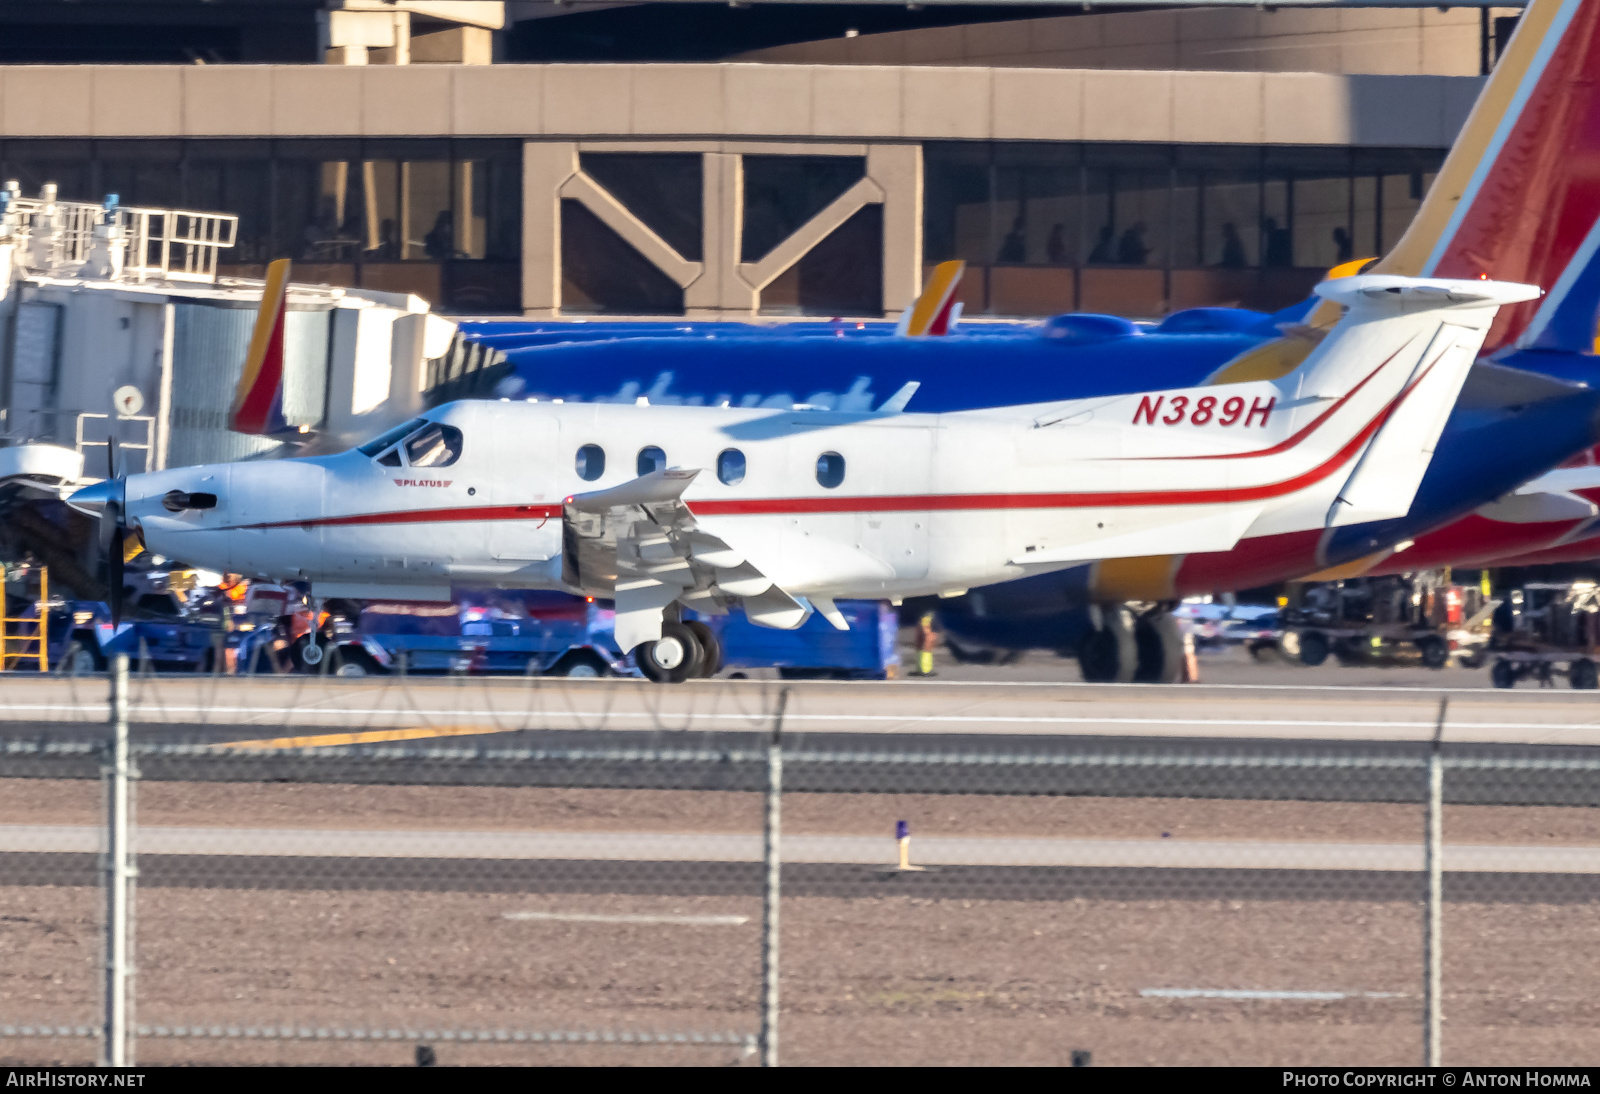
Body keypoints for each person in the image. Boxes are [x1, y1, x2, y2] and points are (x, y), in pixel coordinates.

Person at [913, 613, 939, 677]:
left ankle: (920, 668)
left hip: (922, 614)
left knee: (921, 642)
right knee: (927, 641)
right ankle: (925, 669)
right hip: (926, 615)